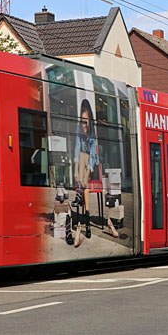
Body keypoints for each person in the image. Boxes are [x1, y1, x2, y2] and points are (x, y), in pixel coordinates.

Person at [72, 100, 98, 247]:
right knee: (81, 155)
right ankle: (87, 221)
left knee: (84, 156)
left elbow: (93, 157)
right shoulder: (78, 131)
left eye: (86, 122)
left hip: (91, 167)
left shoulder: (93, 136)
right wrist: (76, 170)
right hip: (82, 172)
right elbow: (76, 149)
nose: (84, 126)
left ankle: (79, 194)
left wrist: (86, 171)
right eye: (82, 122)